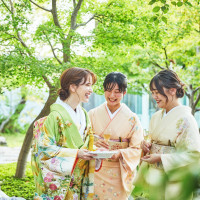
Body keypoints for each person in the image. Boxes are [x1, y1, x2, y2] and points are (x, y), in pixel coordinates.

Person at [31, 67, 97, 200]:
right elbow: (45, 149)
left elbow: (87, 143)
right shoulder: (55, 116)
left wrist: (95, 150)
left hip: (78, 178)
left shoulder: (83, 114)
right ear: (73, 87)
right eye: (87, 85)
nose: (91, 90)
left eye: (91, 85)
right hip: (61, 181)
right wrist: (76, 153)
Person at [138, 69, 200, 199]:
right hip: (154, 177)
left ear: (172, 90)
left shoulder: (186, 119)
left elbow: (194, 154)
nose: (154, 97)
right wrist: (146, 147)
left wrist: (161, 157)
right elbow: (154, 142)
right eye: (152, 93)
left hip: (174, 180)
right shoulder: (155, 117)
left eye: (157, 92)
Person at [88, 72, 143, 200]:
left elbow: (137, 148)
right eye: (108, 90)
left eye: (117, 91)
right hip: (96, 170)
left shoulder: (132, 118)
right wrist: (93, 141)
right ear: (103, 90)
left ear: (124, 92)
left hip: (119, 171)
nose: (112, 95)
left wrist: (120, 153)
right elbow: (82, 139)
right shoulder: (93, 114)